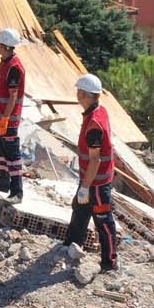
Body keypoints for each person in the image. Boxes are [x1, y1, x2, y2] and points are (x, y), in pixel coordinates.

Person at [64, 73, 118, 273]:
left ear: (88, 95)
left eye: (80, 92)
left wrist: (86, 187)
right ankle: (72, 243)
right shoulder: (98, 111)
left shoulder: (94, 123)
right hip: (91, 178)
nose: (77, 95)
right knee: (79, 208)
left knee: (103, 220)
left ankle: (109, 261)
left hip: (96, 182)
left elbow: (95, 160)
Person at [0, 28, 27, 203]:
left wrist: (5, 118)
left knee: (12, 154)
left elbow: (13, 96)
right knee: (0, 150)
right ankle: (4, 180)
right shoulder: (5, 62)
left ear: (4, 45)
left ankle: (17, 191)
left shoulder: (14, 68)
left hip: (7, 119)